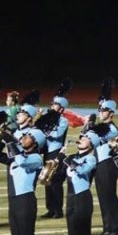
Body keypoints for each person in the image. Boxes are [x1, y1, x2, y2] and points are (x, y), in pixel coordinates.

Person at [1, 128, 45, 235]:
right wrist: (3, 139)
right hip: (14, 201)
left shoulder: (35, 158)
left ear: (34, 142)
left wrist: (11, 141)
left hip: (26, 201)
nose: (23, 138)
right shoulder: (18, 155)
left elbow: (21, 161)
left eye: (27, 137)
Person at [60, 129, 101, 235]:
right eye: (81, 137)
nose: (81, 139)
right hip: (70, 197)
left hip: (82, 197)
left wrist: (69, 161)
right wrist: (59, 159)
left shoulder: (91, 158)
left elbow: (83, 170)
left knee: (82, 231)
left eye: (85, 138)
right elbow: (59, 176)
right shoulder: (72, 157)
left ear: (91, 144)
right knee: (72, 232)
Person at [42, 79, 72, 219]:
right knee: (47, 180)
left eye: (55, 104)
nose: (52, 106)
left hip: (56, 152)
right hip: (47, 151)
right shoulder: (48, 118)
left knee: (55, 183)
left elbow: (57, 134)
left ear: (61, 107)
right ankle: (50, 209)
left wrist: (46, 131)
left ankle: (58, 210)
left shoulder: (63, 120)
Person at [94, 91, 118, 235]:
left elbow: (97, 137)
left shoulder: (112, 129)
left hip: (107, 165)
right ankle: (107, 226)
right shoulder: (102, 127)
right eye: (100, 110)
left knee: (109, 196)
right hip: (99, 164)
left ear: (111, 113)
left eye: (103, 110)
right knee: (102, 196)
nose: (100, 112)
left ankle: (115, 228)